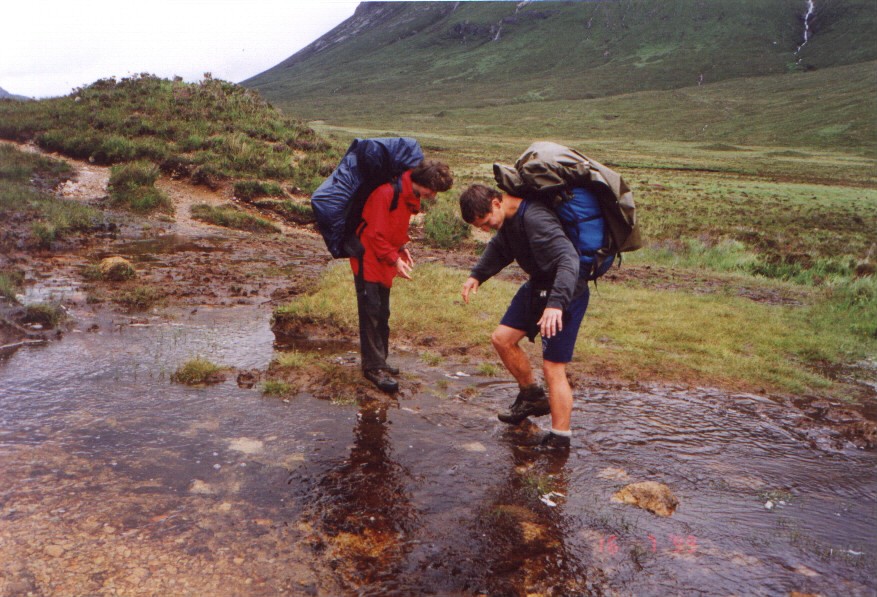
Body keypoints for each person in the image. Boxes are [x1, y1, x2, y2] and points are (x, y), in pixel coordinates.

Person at [459, 183, 590, 450]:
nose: (486, 229)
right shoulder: (508, 219)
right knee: (502, 339)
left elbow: (568, 259)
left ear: (496, 203)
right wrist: (477, 275)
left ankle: (560, 438)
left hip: (566, 291)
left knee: (553, 367)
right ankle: (532, 397)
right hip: (538, 285)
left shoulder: (535, 218)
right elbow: (500, 248)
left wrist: (556, 304)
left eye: (486, 223)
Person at [352, 159, 453, 393]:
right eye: (432, 190)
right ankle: (373, 367)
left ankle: (380, 361)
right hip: (368, 257)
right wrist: (394, 258)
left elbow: (394, 227)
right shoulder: (386, 193)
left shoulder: (407, 195)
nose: (432, 195)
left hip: (383, 258)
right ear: (422, 181)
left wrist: (401, 248)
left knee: (382, 312)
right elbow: (374, 234)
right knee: (370, 311)